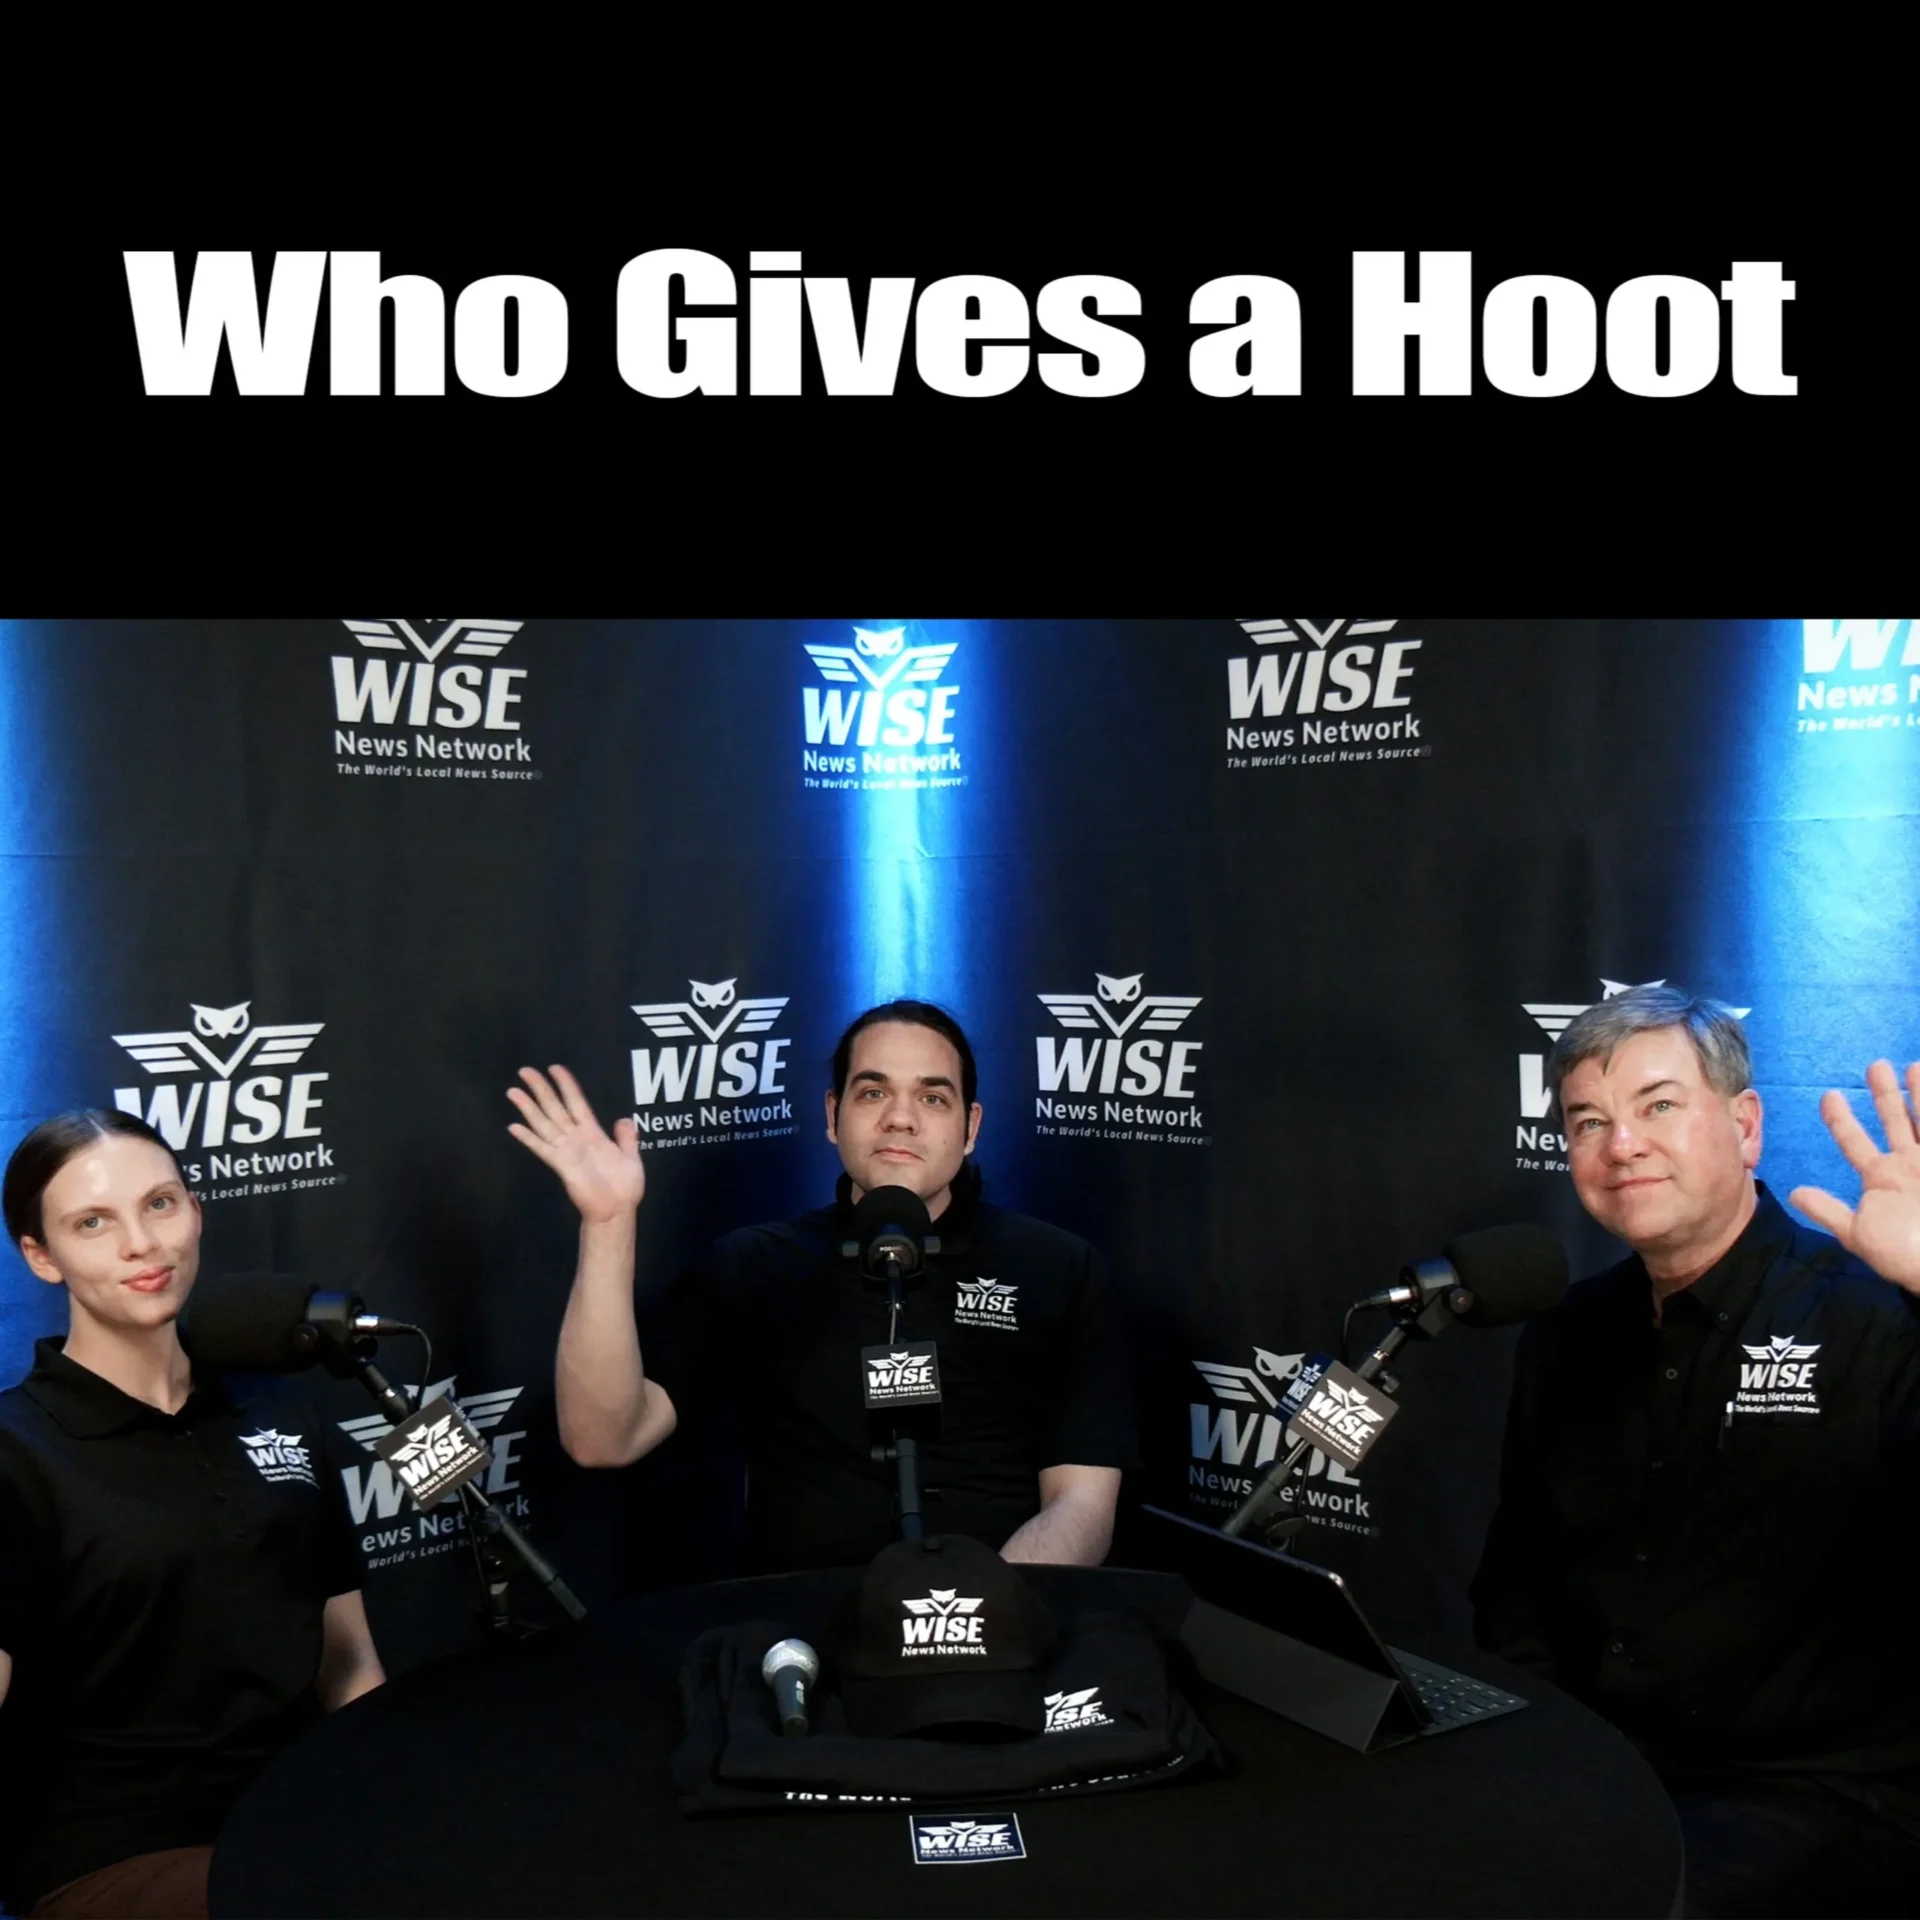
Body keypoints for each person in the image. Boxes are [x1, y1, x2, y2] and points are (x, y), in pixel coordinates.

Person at [1469, 988, 1920, 1918]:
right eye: (1588, 1120)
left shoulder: (1875, 1314)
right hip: (1604, 1763)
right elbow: (1520, 1591)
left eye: (1658, 1105)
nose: (1621, 1143)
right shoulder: (1565, 1332)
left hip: (1820, 1792)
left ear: (1745, 1125)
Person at [508, 999, 1137, 1573]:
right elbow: (603, 1438)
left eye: (933, 1098)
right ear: (834, 1116)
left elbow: (1082, 1506)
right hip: (804, 1639)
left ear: (970, 1128)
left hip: (1005, 1629)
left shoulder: (1061, 1269)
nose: (899, 1118)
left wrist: (983, 1614)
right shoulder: (754, 1263)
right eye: (872, 1093)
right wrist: (608, 1223)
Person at [0, 1110, 384, 1920]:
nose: (141, 1243)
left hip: (298, 1815)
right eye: (93, 1223)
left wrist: (395, 1799)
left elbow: (348, 1665)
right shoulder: (15, 1451)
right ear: (41, 1256)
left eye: (161, 1204)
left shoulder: (280, 1405)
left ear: (196, 1211)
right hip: (110, 1853)